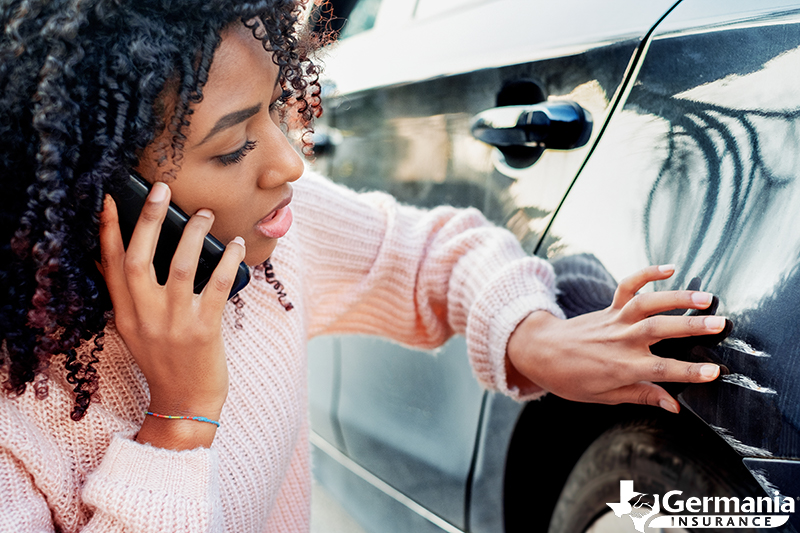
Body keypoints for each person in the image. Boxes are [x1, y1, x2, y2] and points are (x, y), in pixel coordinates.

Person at [0, 0, 727, 531]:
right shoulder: (17, 423)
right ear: (93, 192)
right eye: (232, 148)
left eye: (277, 110)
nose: (290, 162)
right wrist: (178, 422)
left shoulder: (270, 244)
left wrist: (530, 335)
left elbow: (431, 254)